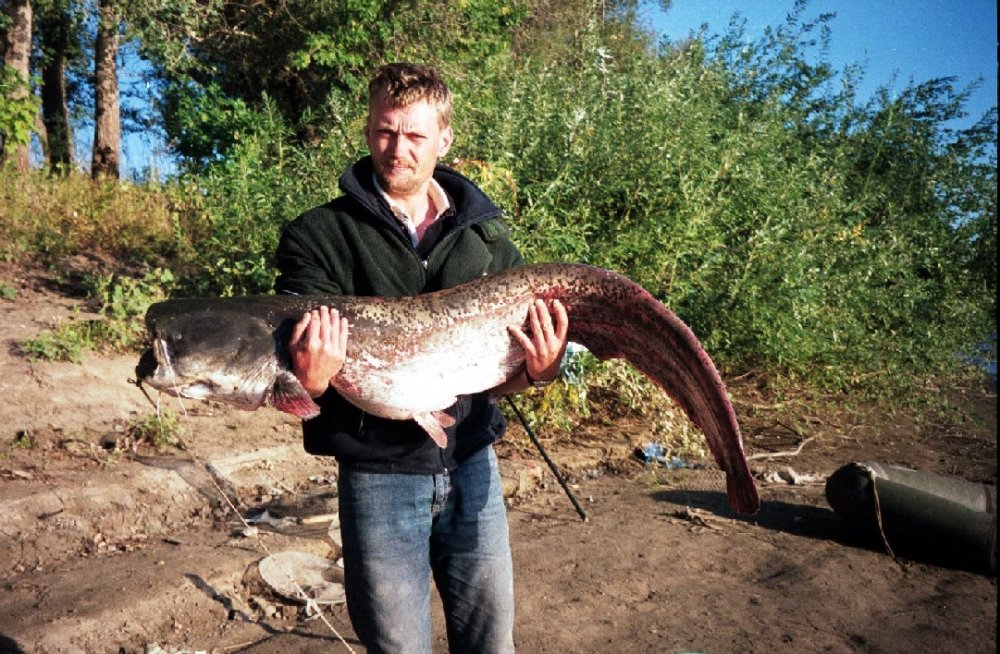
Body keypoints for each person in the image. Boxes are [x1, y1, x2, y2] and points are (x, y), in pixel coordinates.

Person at [274, 62, 569, 654]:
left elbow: (507, 377)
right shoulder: (318, 235)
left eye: (414, 135)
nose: (397, 149)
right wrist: (310, 379)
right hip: (377, 476)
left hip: (472, 463)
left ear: (444, 139)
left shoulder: (487, 239)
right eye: (385, 131)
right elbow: (299, 379)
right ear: (367, 131)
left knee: (492, 642)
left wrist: (543, 370)